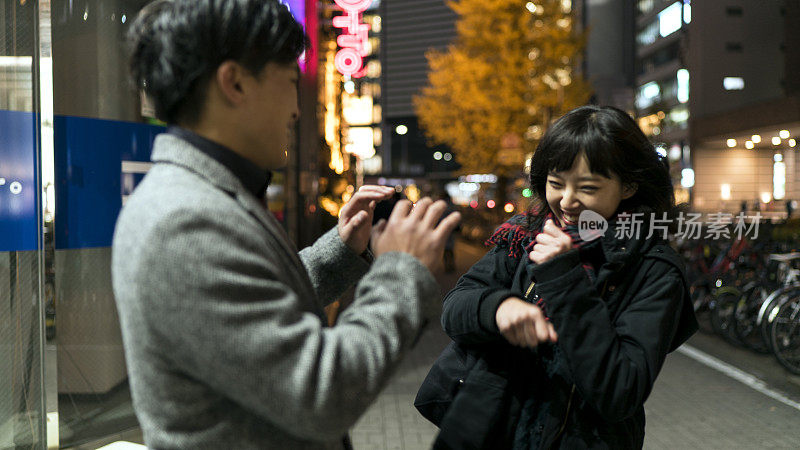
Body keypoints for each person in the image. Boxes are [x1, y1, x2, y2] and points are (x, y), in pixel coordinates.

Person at [111, 1, 460, 448]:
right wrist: (401, 270)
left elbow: (254, 309)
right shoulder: (185, 221)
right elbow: (320, 395)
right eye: (291, 82)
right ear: (234, 82)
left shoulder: (200, 195)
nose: (296, 110)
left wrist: (342, 248)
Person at [432, 105, 698, 448]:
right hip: (497, 433)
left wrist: (564, 277)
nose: (566, 201)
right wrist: (498, 309)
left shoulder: (653, 268)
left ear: (629, 185)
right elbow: (454, 308)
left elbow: (620, 391)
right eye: (556, 183)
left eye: (587, 188)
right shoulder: (526, 235)